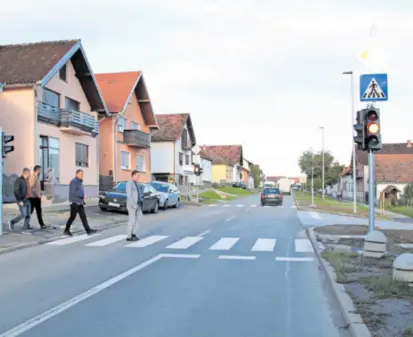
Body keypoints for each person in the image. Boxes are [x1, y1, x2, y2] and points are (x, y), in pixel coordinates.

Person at [64, 169, 97, 236]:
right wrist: (82, 195)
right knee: (72, 217)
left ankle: (88, 231)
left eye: (83, 174)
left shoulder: (80, 182)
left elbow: (79, 191)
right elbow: (73, 192)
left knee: (83, 217)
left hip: (80, 203)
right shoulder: (74, 181)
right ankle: (66, 230)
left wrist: (82, 198)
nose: (82, 175)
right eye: (81, 174)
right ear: (77, 174)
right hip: (75, 203)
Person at [29, 165, 47, 230]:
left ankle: (42, 224)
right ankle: (26, 224)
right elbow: (31, 187)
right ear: (37, 170)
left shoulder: (37, 177)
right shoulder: (32, 177)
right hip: (33, 198)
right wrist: (38, 194)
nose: (41, 171)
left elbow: (37, 188)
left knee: (39, 211)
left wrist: (41, 192)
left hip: (36, 198)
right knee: (30, 212)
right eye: (40, 170)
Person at [126, 170, 142, 242]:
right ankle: (129, 236)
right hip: (132, 205)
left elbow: (138, 193)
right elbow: (129, 195)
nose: (138, 177)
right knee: (132, 220)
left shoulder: (136, 183)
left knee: (139, 219)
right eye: (137, 175)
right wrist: (133, 205)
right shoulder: (130, 183)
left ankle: (134, 234)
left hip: (138, 204)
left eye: (139, 175)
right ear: (133, 175)